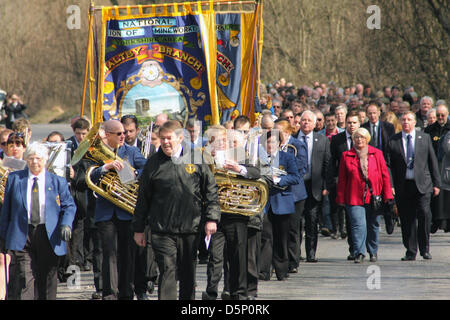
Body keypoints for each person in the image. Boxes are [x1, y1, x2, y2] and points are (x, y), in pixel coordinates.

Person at [132, 120, 220, 300]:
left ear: (180, 138)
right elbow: (143, 198)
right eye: (162, 139)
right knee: (167, 270)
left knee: (188, 273)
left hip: (190, 227)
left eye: (169, 138)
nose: (165, 142)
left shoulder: (196, 158)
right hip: (162, 229)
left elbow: (210, 190)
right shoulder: (153, 163)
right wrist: (138, 229)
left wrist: (212, 218)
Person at [0, 142, 76, 299]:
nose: (35, 162)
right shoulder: (15, 179)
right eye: (31, 158)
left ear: (45, 160)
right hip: (22, 233)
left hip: (48, 234)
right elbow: (6, 209)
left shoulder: (57, 181)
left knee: (47, 279)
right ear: (26, 159)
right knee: (24, 278)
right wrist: (3, 236)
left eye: (38, 158)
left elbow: (69, 206)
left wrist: (66, 224)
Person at [89, 120, 147, 300]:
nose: (124, 136)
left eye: (124, 133)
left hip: (126, 210)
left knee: (127, 254)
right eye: (119, 134)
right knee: (109, 254)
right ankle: (110, 294)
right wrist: (106, 167)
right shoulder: (96, 153)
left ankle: (126, 293)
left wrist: (134, 173)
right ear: (107, 134)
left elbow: (146, 167)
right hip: (106, 211)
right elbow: (88, 175)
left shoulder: (131, 151)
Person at [201, 125, 261, 300]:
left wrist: (238, 168)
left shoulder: (240, 156)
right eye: (218, 141)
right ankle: (211, 292)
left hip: (237, 214)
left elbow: (256, 172)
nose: (222, 144)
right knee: (215, 256)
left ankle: (238, 293)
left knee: (237, 256)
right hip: (216, 214)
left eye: (225, 141)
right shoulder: (207, 157)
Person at [387, 111, 441, 261]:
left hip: (423, 184)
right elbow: (389, 166)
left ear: (414, 122)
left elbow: (432, 161)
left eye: (409, 120)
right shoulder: (393, 140)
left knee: (424, 214)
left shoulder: (424, 138)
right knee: (407, 219)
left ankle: (425, 249)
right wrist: (390, 185)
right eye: (403, 120)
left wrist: (437, 183)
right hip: (403, 186)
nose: (406, 122)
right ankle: (410, 250)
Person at [336, 128, 393, 263]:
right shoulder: (346, 155)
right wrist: (340, 198)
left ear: (367, 139)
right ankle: (359, 252)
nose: (359, 140)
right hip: (354, 196)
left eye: (362, 137)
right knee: (357, 224)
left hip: (374, 195)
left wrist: (388, 195)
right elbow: (342, 179)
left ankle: (373, 251)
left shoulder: (376, 153)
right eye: (356, 137)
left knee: (373, 225)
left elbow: (385, 175)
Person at [258, 130, 301, 281]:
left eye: (273, 142)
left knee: (281, 238)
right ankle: (264, 270)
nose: (270, 145)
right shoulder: (259, 158)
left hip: (282, 202)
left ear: (279, 143)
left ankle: (281, 270)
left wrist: (279, 180)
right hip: (264, 203)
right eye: (268, 142)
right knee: (265, 237)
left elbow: (295, 177)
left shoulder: (287, 157)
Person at [297, 110, 331, 262]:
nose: (306, 123)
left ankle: (311, 253)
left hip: (314, 185)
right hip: (296, 185)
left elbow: (327, 164)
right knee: (296, 221)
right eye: (303, 120)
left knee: (312, 220)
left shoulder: (322, 140)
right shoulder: (292, 139)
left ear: (315, 123)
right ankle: (295, 253)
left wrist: (325, 185)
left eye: (309, 121)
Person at [275, 119, 307, 272]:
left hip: (294, 193)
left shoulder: (297, 145)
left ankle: (293, 261)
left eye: (278, 132)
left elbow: (301, 167)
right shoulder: (271, 144)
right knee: (279, 229)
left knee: (293, 228)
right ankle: (279, 259)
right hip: (277, 192)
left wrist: (283, 176)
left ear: (287, 132)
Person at [424, 105, 450, 233]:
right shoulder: (429, 130)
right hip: (433, 165)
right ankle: (435, 220)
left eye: (442, 115)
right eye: (438, 115)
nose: (440, 118)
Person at [362, 102, 395, 166]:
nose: (372, 116)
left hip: (385, 161)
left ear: (379, 113)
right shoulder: (363, 128)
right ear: (366, 115)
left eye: (374, 113)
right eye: (370, 113)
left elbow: (391, 145)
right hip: (369, 162)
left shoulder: (388, 127)